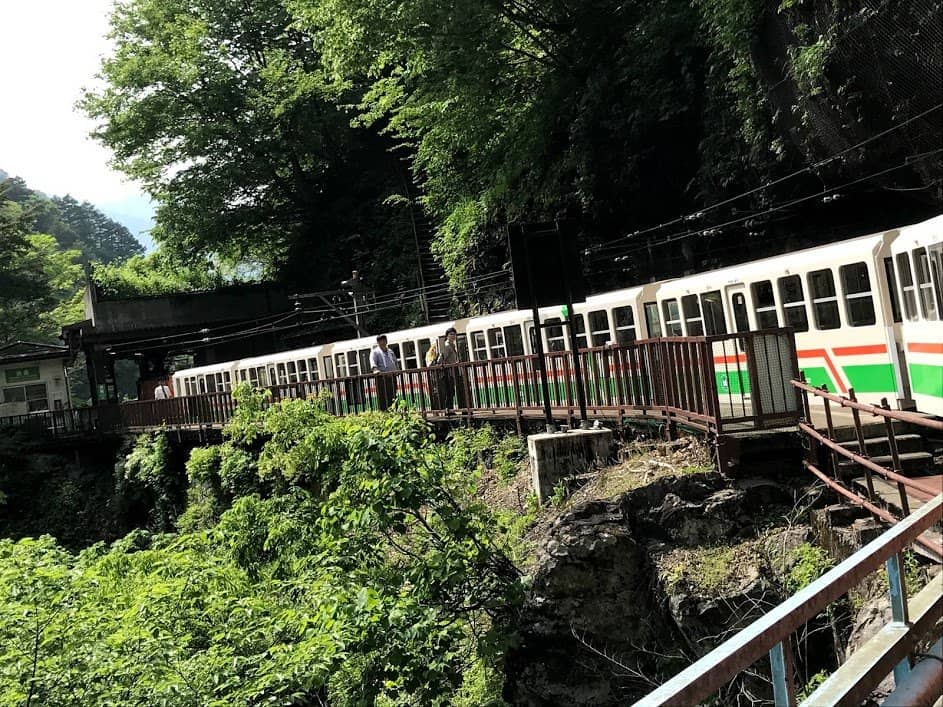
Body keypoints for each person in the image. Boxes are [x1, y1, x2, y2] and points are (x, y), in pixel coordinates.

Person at [438, 327, 467, 412]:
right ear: (447, 336)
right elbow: (441, 360)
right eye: (451, 334)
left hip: (452, 372)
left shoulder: (452, 345)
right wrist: (449, 365)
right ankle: (449, 411)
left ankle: (451, 410)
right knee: (449, 392)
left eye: (454, 334)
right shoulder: (447, 346)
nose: (453, 336)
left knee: (452, 392)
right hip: (448, 372)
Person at [370, 334, 399, 411]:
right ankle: (384, 412)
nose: (383, 342)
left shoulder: (390, 351)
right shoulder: (375, 352)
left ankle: (394, 410)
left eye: (384, 340)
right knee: (383, 396)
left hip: (392, 377)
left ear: (386, 341)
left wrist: (397, 370)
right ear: (378, 342)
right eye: (380, 341)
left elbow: (395, 362)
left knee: (393, 395)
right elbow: (373, 363)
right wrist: (375, 370)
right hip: (382, 378)